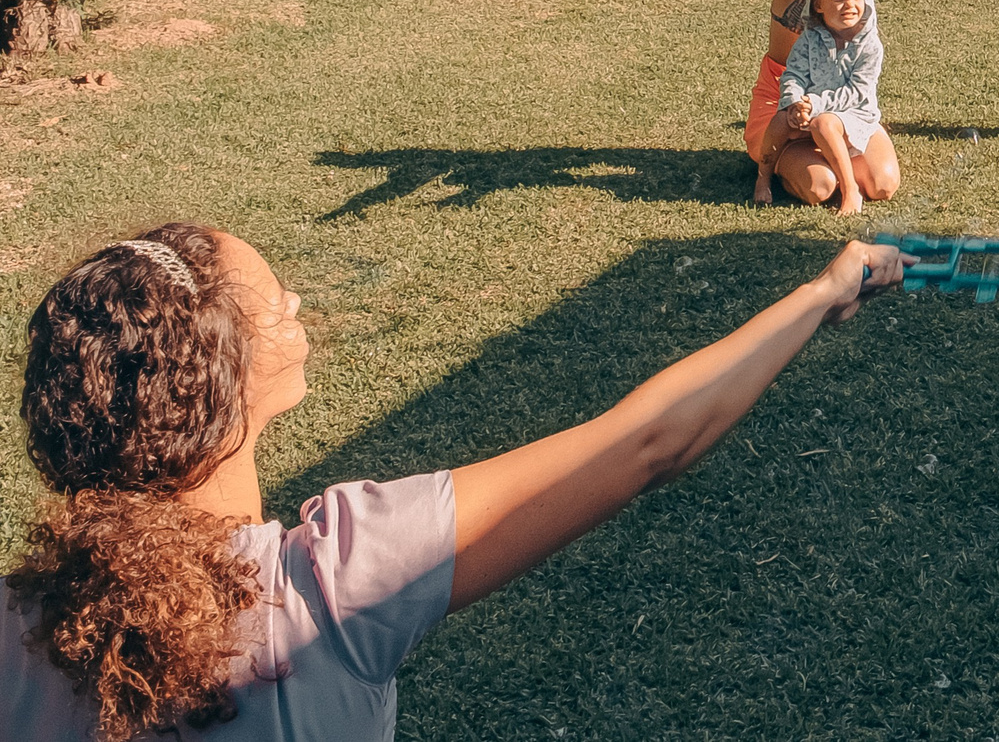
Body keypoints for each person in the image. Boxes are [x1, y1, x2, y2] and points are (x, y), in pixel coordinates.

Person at [1, 224, 909, 741]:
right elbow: (646, 443)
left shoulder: (17, 628)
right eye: (277, 302)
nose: (297, 306)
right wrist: (822, 291)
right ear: (224, 394)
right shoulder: (334, 582)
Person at [748, 0, 985, 206]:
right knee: (820, 187)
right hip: (788, 102)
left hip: (845, 101)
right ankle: (785, 163)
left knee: (883, 184)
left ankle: (833, 153)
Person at [773, 0, 891, 214]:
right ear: (818, 5)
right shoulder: (809, 40)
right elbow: (793, 75)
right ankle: (848, 189)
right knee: (819, 188)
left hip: (857, 121)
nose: (849, 5)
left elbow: (858, 92)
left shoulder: (870, 45)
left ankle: (841, 161)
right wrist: (795, 102)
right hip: (810, 127)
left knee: (883, 187)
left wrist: (815, 103)